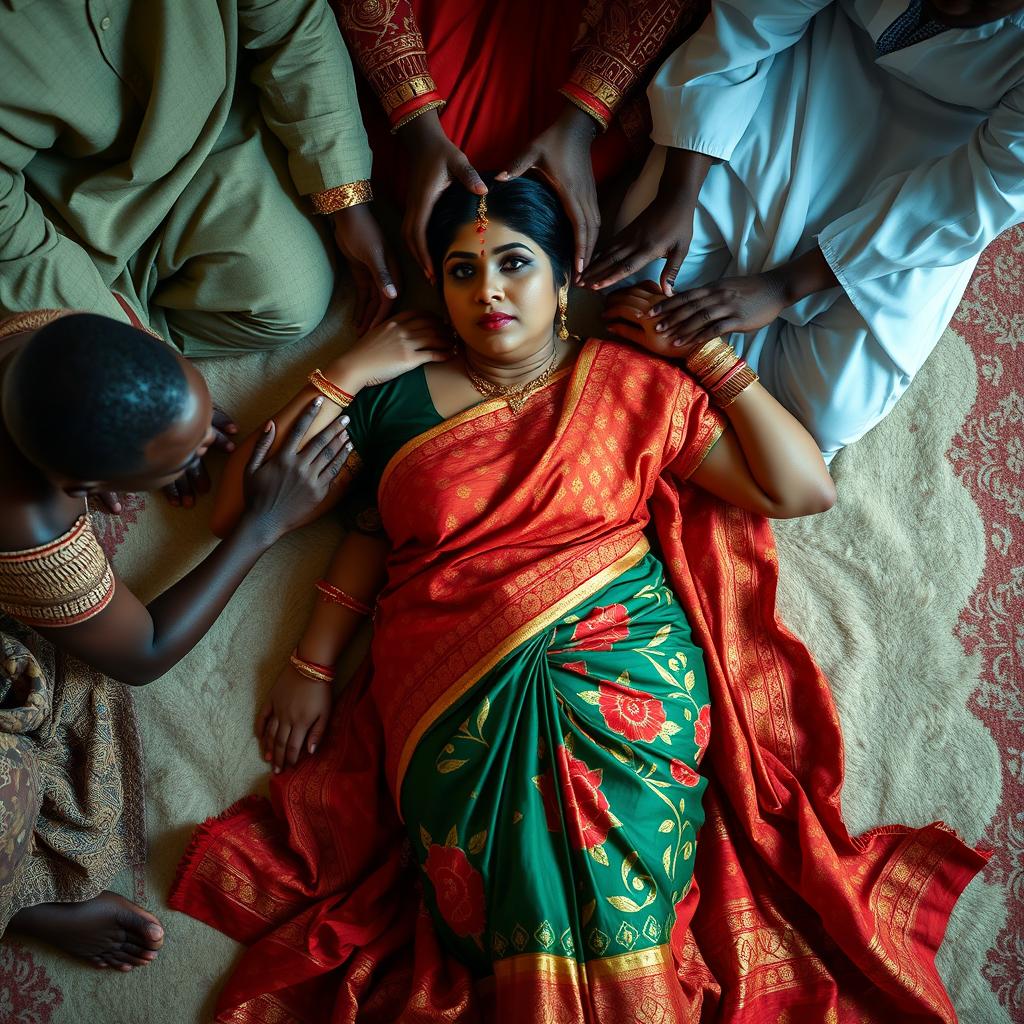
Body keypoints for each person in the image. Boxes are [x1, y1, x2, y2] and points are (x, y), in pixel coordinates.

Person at [170, 177, 984, 1022]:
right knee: (504, 887)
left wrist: (704, 357)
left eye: (514, 263)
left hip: (624, 679)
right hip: (455, 696)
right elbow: (264, 516)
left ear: (564, 282)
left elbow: (802, 487)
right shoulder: (393, 403)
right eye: (460, 270)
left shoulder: (633, 386)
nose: (486, 288)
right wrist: (344, 373)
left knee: (623, 884)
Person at [0, 309, 354, 971]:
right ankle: (24, 908)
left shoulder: (41, 337)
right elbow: (144, 652)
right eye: (190, 454)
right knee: (42, 780)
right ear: (87, 491)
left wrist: (170, 432)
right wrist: (261, 525)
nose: (207, 448)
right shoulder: (32, 523)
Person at [582, 0, 1024, 462]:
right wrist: (679, 196)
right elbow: (748, 27)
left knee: (824, 416)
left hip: (935, 177)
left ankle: (704, 353)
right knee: (636, 282)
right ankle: (702, 352)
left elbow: (980, 193)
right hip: (813, 73)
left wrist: (780, 286)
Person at [0, 0, 400, 357]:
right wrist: (143, 360)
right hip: (60, 200)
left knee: (291, 301)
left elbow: (291, 22)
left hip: (216, 130)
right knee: (80, 385)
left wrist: (346, 200)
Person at [333, 0, 708, 291]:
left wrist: (417, 129)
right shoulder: (611, 152)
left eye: (464, 271)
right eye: (512, 262)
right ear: (562, 280)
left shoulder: (383, 158)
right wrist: (583, 119)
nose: (488, 293)